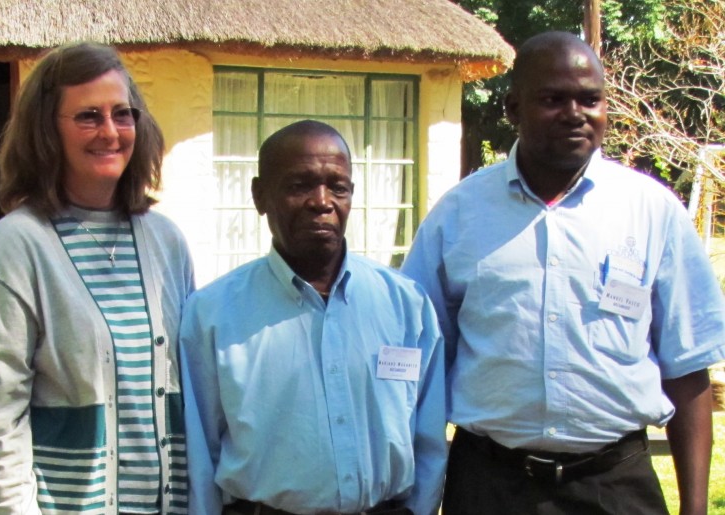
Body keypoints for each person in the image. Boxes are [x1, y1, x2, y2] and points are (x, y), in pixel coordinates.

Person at [401, 31, 725, 515]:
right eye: (553, 99)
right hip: (491, 485)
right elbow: (418, 362)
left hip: (615, 485)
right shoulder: (458, 216)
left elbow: (688, 368)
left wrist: (696, 509)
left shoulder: (652, 211)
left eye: (589, 99)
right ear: (512, 108)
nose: (575, 114)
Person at [0, 42, 193, 515]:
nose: (110, 131)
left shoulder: (166, 241)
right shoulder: (18, 245)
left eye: (122, 114)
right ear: (47, 129)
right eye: (88, 116)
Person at [181, 120, 446, 515]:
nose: (321, 201)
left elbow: (429, 442)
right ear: (259, 196)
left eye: (337, 186)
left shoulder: (406, 306)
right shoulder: (213, 315)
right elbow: (200, 456)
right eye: (299, 185)